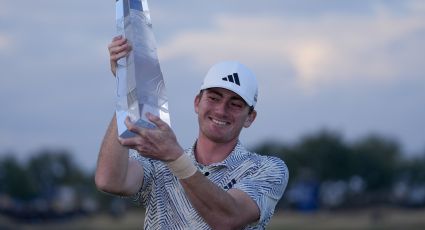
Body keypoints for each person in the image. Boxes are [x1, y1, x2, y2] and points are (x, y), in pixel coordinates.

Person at [95, 36, 289, 229]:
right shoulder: (159, 164)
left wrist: (175, 159)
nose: (221, 110)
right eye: (214, 98)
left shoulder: (267, 169)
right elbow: (109, 180)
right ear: (197, 103)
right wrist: (127, 88)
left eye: (235, 104)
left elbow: (228, 218)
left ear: (250, 117)